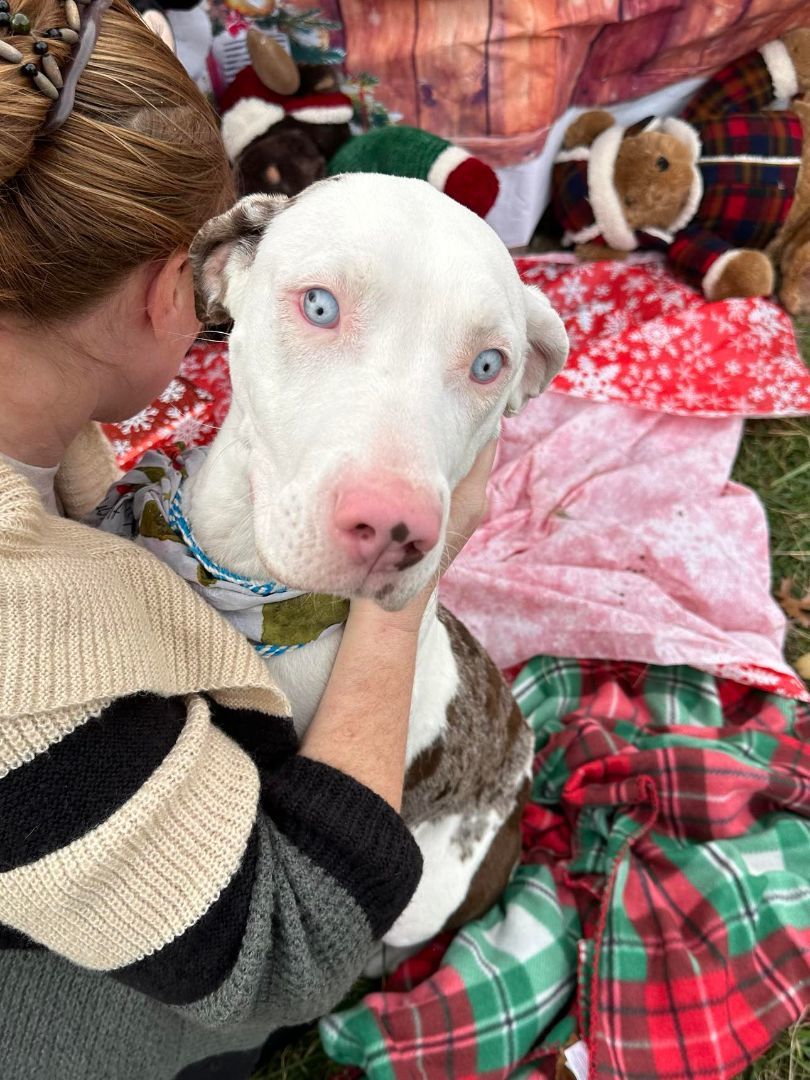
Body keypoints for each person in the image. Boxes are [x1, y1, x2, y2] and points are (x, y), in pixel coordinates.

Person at [0, 1, 496, 1077]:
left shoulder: (53, 466)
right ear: (187, 283)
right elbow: (289, 948)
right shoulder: (21, 667)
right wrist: (411, 575)